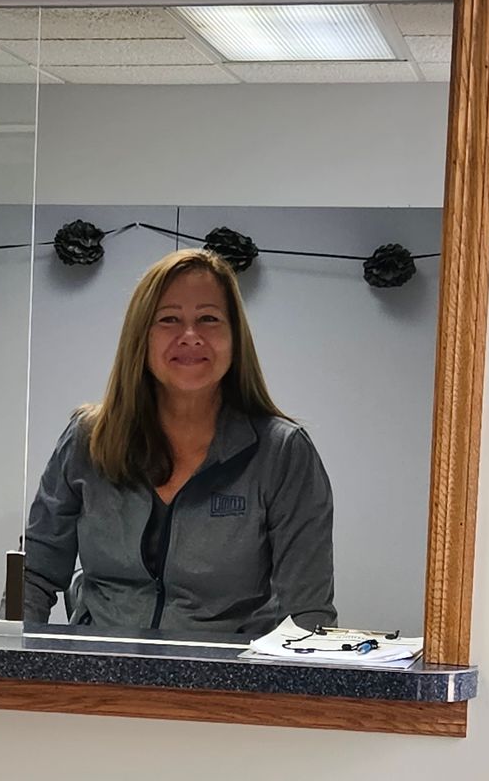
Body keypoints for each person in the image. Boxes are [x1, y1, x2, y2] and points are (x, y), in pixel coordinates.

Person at [22, 246, 335, 642]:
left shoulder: (283, 452)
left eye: (209, 319)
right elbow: (33, 574)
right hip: (97, 679)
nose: (191, 336)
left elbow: (308, 614)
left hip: (228, 688)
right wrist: (9, 668)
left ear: (235, 337)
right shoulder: (88, 439)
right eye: (169, 319)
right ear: (141, 337)